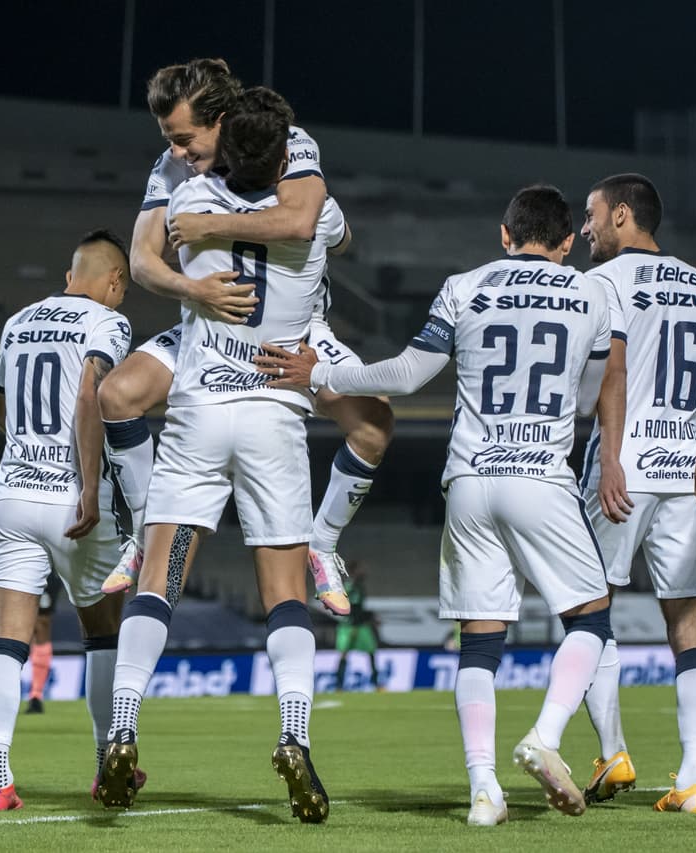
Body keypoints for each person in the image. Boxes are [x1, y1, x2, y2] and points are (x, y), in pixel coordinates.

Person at [259, 185, 616, 826]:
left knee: (479, 645)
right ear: (567, 243)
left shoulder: (465, 286)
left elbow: (404, 375)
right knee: (590, 619)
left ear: (504, 235)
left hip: (471, 479)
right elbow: (589, 399)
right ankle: (546, 736)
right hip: (541, 474)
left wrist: (323, 373)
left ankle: (484, 791)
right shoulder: (593, 293)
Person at [96, 87, 349, 824]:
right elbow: (320, 223)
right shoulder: (314, 216)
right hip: (273, 414)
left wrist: (212, 227)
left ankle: (122, 726)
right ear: (285, 161)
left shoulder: (190, 204)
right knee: (285, 594)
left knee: (159, 580)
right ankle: (294, 734)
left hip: (200, 412)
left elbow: (159, 251)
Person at [98, 58, 393, 616]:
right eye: (169, 139)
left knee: (373, 425)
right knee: (117, 394)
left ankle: (322, 544)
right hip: (207, 325)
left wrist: (210, 225)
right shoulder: (170, 169)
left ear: (220, 122)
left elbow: (302, 221)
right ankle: (141, 534)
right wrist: (194, 289)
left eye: (184, 138)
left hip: (297, 329)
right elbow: (141, 261)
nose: (176, 152)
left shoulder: (287, 142)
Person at [577, 173, 696, 812]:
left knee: (589, 612)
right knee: (688, 622)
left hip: (621, 466)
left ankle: (614, 753)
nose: (585, 228)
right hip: (686, 470)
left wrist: (609, 457)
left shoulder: (600, 283)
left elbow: (605, 378)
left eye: (591, 215)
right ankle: (692, 780)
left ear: (622, 215)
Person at [0, 229, 136, 812]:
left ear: (71, 274)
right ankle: (105, 765)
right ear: (115, 281)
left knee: (7, 640)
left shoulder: (17, 321)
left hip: (13, 496)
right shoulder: (108, 323)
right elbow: (91, 396)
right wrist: (89, 487)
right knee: (103, 633)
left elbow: (1, 410)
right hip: (73, 499)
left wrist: (29, 451)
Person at [334, 566, 381, 691]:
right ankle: (339, 685)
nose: (364, 572)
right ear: (353, 572)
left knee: (371, 651)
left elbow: (359, 607)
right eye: (360, 569)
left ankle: (376, 684)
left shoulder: (359, 587)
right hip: (349, 627)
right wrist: (368, 617)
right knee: (344, 654)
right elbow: (351, 607)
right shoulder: (349, 587)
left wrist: (369, 617)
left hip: (359, 625)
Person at [24, 572, 64, 714]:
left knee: (42, 624)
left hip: (45, 571)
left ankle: (36, 695)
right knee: (1, 623)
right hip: (11, 567)